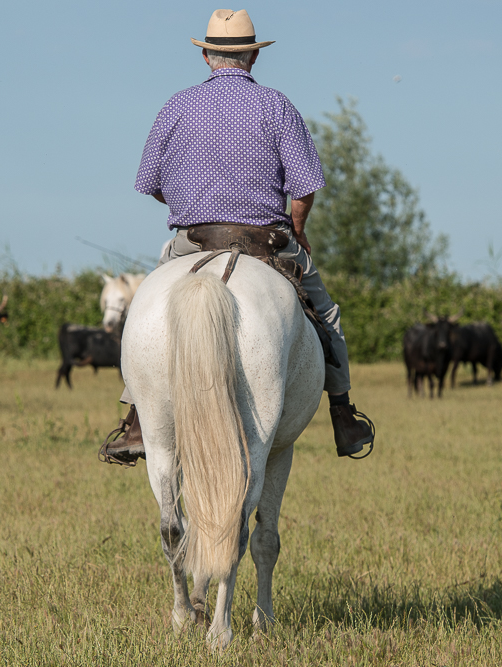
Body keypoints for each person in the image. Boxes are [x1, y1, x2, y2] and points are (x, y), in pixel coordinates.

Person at [100, 8, 375, 466]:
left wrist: (189, 202)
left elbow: (150, 182)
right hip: (265, 241)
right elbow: (304, 185)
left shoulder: (177, 105)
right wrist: (299, 229)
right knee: (326, 315)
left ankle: (134, 420)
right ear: (252, 55)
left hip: (192, 241)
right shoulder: (276, 105)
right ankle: (343, 415)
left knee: (144, 315)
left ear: (207, 56)